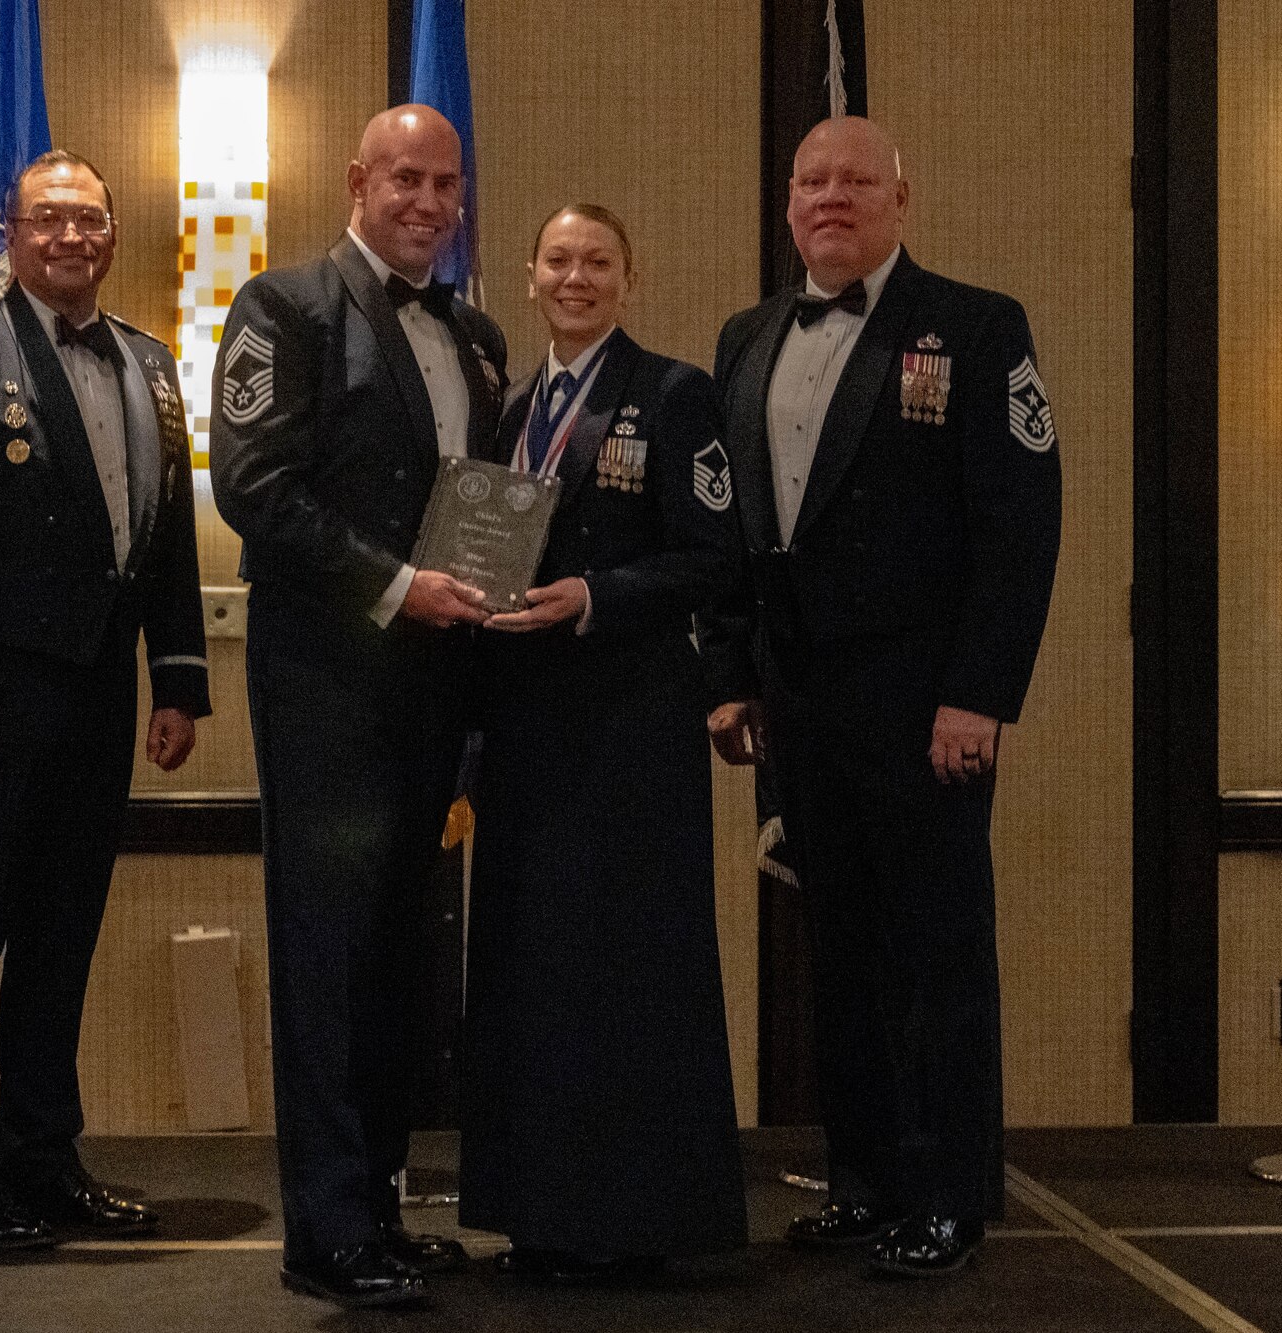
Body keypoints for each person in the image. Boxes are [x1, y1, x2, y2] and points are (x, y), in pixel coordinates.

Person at [701, 116, 1061, 1278]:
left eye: (856, 179)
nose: (831, 197)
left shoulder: (973, 324)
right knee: (839, 954)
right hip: (800, 705)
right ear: (788, 203)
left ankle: (948, 1191)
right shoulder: (745, 335)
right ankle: (861, 1180)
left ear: (900, 199)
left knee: (933, 952)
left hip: (924, 707)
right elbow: (739, 533)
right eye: (812, 180)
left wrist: (978, 697)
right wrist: (735, 676)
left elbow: (1018, 532)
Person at [0, 150, 210, 1250]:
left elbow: (162, 542)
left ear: (112, 235)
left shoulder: (153, 365)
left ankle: (42, 1154)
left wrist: (178, 678)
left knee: (63, 934)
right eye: (46, 219)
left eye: (88, 220)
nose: (70, 237)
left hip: (101, 691)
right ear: (9, 235)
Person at [210, 105, 507, 1309]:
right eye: (403, 179)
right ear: (356, 182)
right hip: (329, 684)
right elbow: (251, 488)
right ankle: (326, 1229)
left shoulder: (477, 332)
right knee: (329, 957)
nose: (426, 202)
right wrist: (395, 585)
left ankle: (379, 1198)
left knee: (398, 957)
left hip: (440, 687)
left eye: (444, 183)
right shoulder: (282, 308)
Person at [459, 204, 748, 1282]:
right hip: (528, 731)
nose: (575, 278)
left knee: (633, 972)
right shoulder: (512, 406)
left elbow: (711, 557)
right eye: (558, 260)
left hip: (631, 730)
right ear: (528, 278)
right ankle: (538, 1213)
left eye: (597, 262)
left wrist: (591, 593)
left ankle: (640, 1220)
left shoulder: (673, 394)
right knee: (532, 971)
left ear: (629, 278)